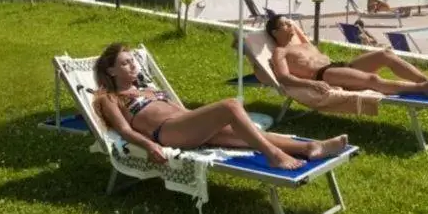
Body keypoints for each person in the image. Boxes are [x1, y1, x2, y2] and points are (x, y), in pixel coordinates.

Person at [92, 42, 348, 170]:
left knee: (247, 135)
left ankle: (310, 147)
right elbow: (125, 131)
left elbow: (178, 109)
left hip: (187, 124)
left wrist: (203, 122)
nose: (133, 65)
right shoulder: (110, 97)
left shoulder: (145, 88)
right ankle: (274, 155)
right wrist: (150, 146)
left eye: (133, 60)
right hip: (167, 133)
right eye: (125, 63)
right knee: (230, 105)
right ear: (111, 71)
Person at [266, 14, 428, 97]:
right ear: (275, 32)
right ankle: (422, 88)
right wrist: (312, 83)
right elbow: (283, 77)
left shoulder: (304, 43)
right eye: (285, 24)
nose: (291, 26)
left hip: (339, 66)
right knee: (372, 79)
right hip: (323, 75)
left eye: (291, 23)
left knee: (385, 54)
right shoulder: (280, 51)